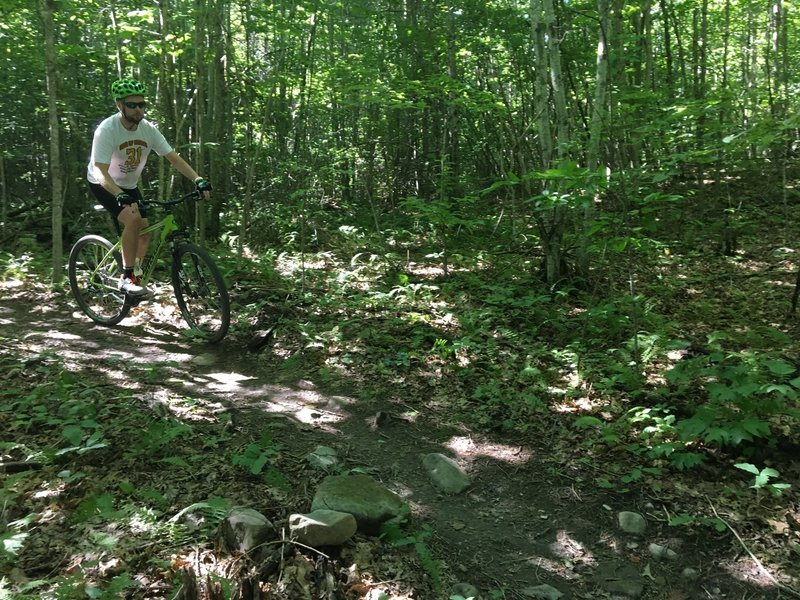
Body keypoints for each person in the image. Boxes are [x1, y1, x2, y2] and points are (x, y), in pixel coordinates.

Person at [87, 78, 212, 296]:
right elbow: (100, 170)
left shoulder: (148, 130)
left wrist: (197, 179)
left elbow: (172, 157)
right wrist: (118, 194)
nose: (138, 110)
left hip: (129, 184)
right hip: (104, 183)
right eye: (132, 105)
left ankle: (136, 272)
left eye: (142, 104)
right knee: (133, 220)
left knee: (144, 232)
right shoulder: (107, 130)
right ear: (120, 105)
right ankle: (126, 278)